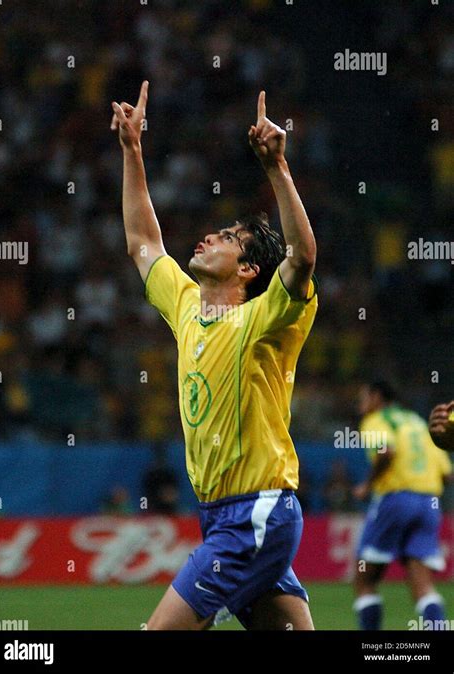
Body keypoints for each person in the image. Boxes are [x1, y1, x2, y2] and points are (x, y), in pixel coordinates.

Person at [111, 82, 317, 630]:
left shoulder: (266, 320)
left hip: (255, 513)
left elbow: (301, 259)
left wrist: (277, 169)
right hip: (222, 515)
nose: (208, 236)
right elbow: (142, 243)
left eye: (227, 236)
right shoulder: (185, 306)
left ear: (248, 270)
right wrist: (133, 152)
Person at [353, 381, 452, 630]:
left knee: (364, 580)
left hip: (395, 500)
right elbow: (447, 475)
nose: (360, 404)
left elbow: (386, 451)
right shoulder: (419, 422)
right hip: (429, 503)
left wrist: (367, 485)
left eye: (363, 397)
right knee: (422, 583)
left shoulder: (376, 420)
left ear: (376, 397)